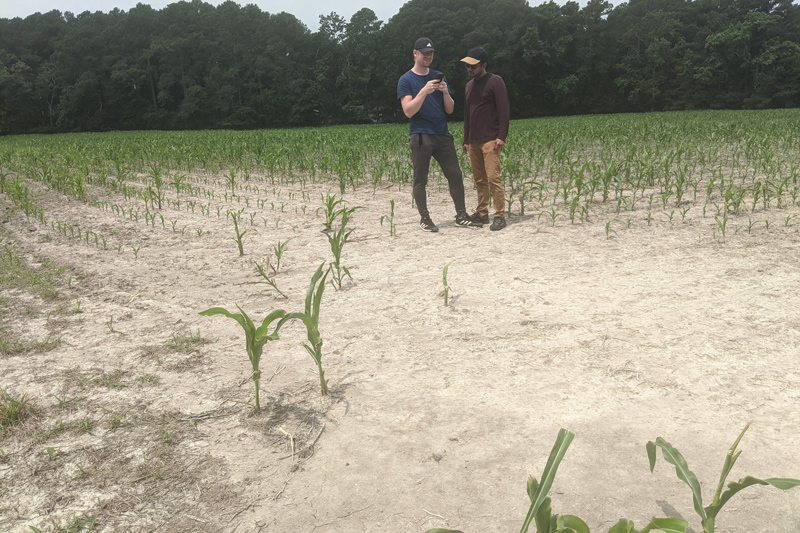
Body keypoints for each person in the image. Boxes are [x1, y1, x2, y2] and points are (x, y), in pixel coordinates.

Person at [397, 37, 483, 232]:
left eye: (431, 53)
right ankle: (425, 219)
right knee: (421, 179)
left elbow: (450, 110)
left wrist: (445, 92)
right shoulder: (406, 80)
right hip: (421, 136)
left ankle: (461, 215)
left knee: (455, 175)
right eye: (425, 53)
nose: (429, 56)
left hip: (442, 135)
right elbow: (408, 111)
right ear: (415, 53)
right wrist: (424, 91)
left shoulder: (438, 76)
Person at [461, 47, 510, 231]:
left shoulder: (495, 82)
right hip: (473, 140)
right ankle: (482, 213)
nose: (469, 69)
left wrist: (501, 136)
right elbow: (467, 115)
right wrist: (466, 140)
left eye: (473, 66)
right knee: (479, 179)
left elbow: (504, 110)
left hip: (491, 139)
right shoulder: (468, 86)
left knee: (493, 178)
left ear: (484, 65)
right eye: (467, 66)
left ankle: (499, 215)